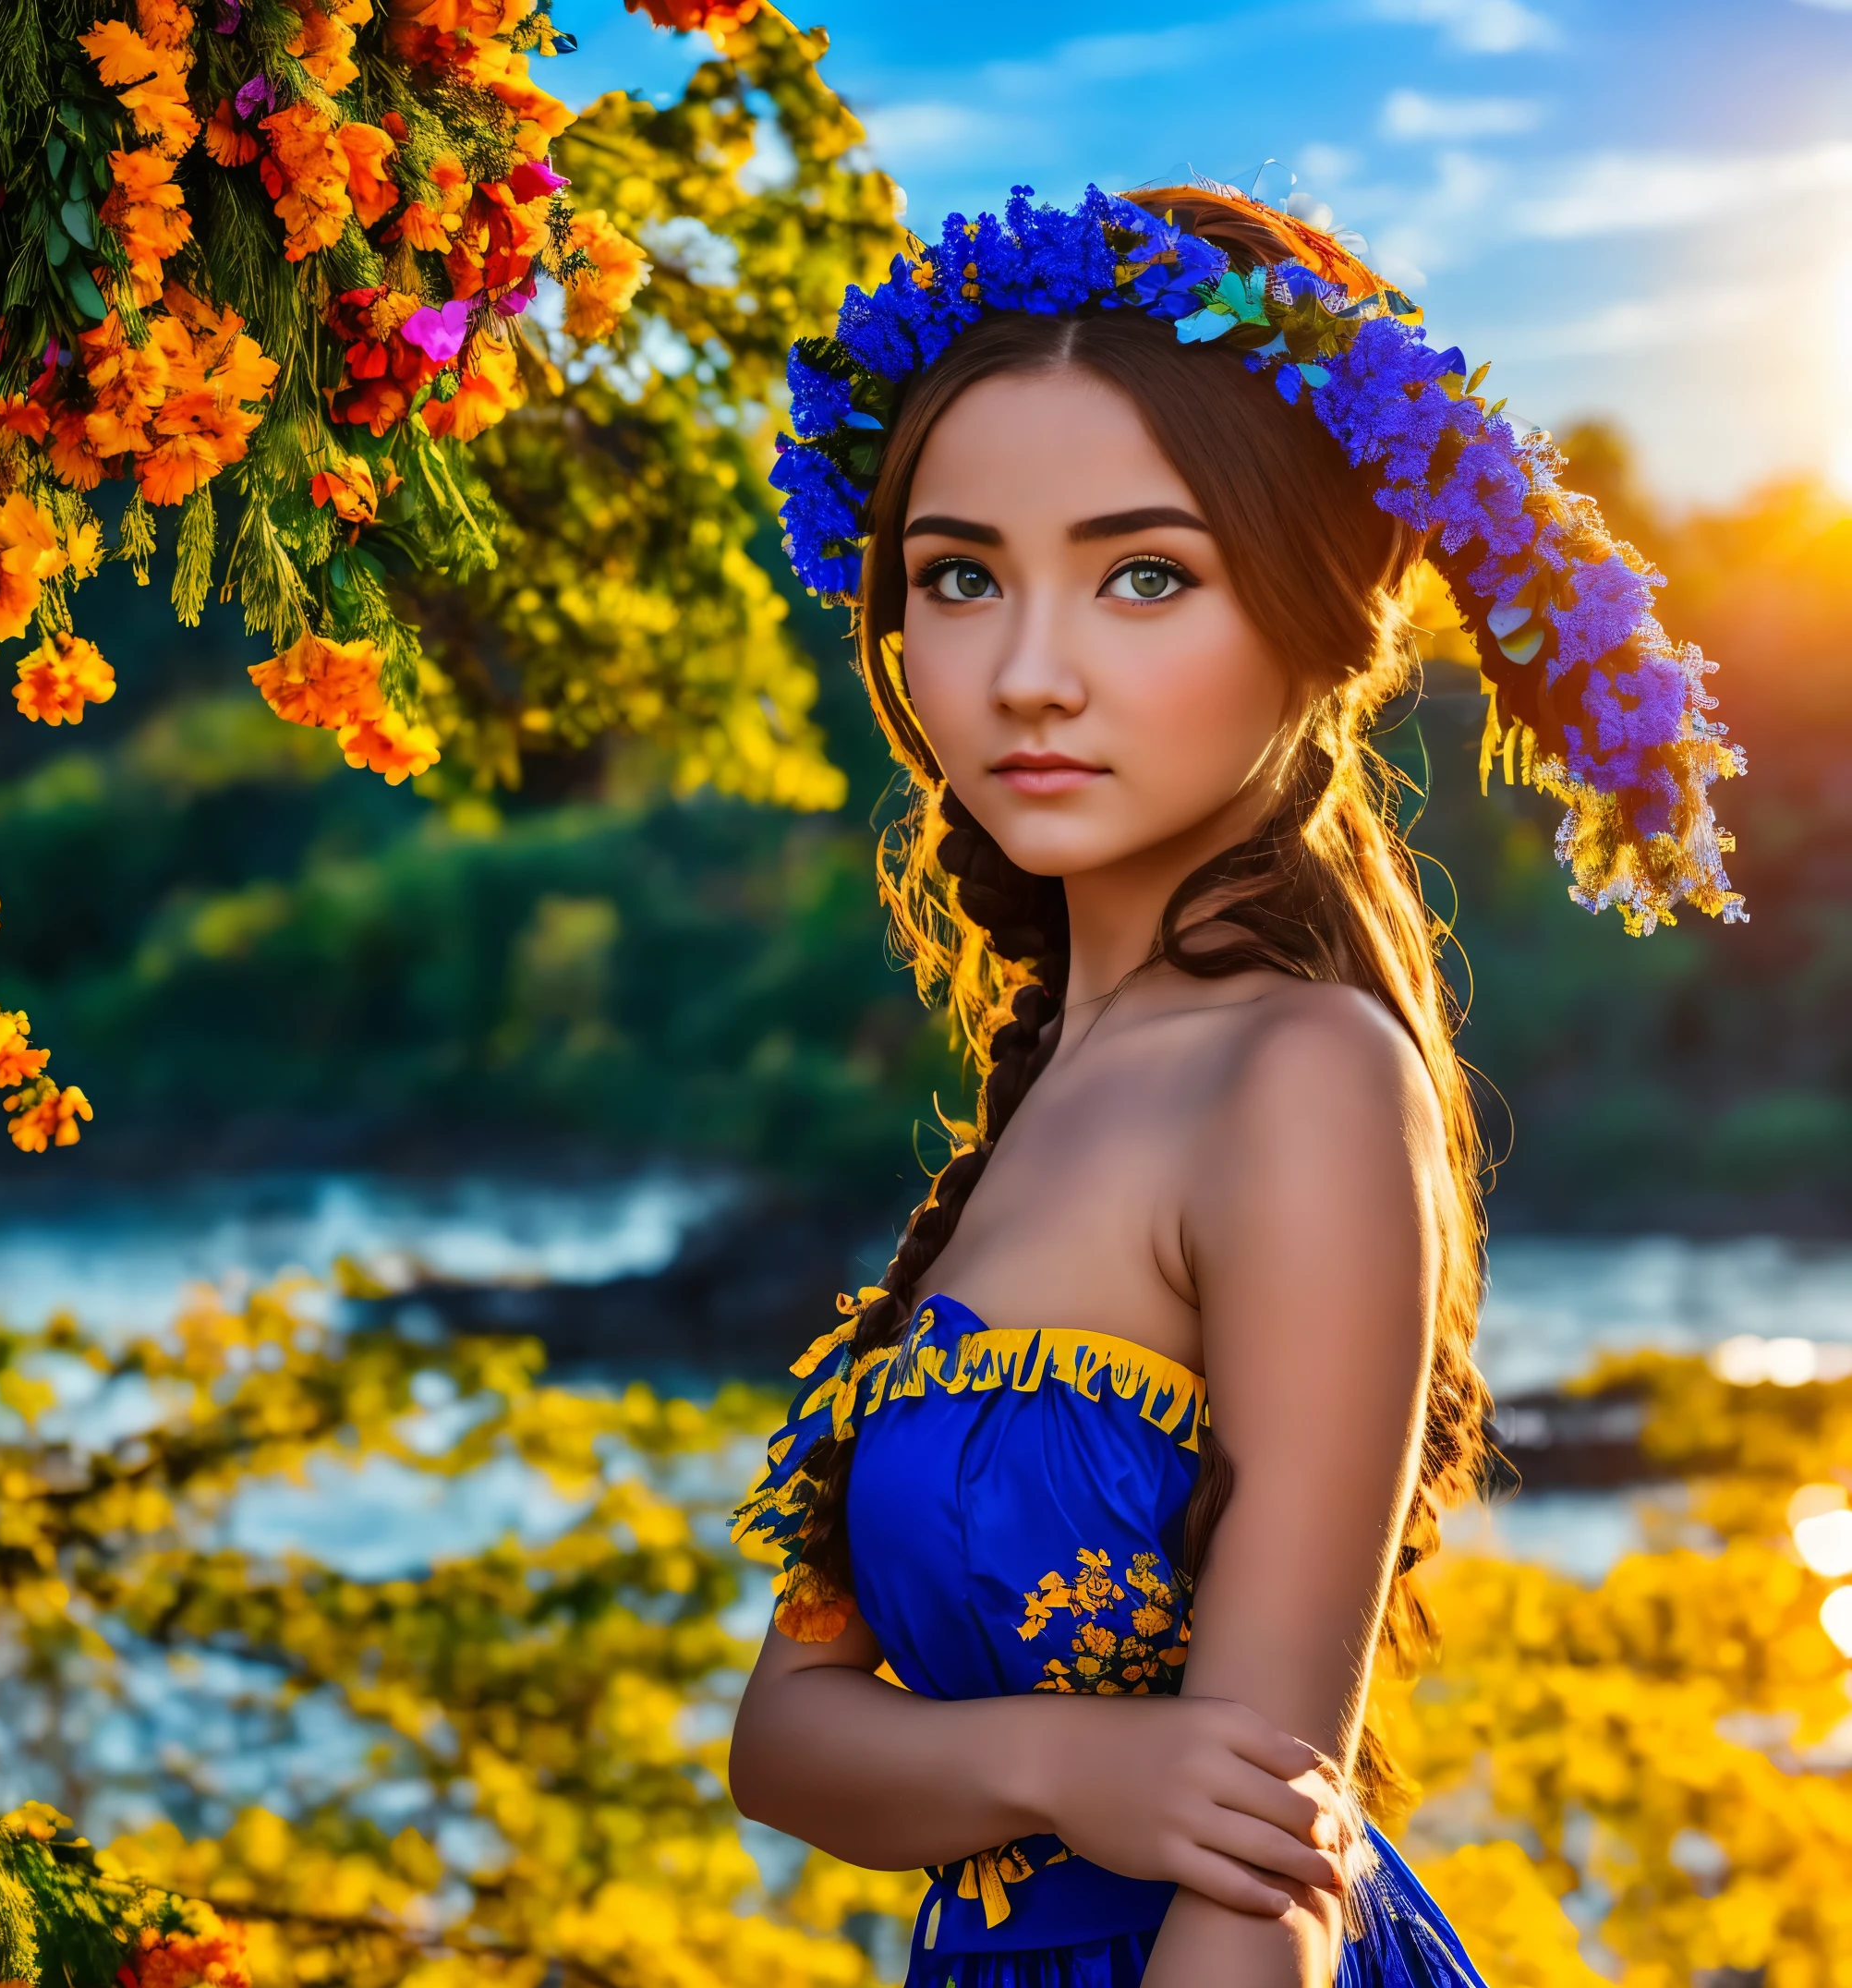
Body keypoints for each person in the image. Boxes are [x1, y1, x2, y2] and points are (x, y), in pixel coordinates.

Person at [727, 180, 1745, 1988]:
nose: (1025, 673)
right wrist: (1062, 1758)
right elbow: (783, 1738)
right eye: (958, 575)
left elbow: (1258, 1862)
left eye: (1141, 575)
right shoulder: (1039, 1089)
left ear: (1307, 621)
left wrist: (1086, 1785)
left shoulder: (1302, 1074)